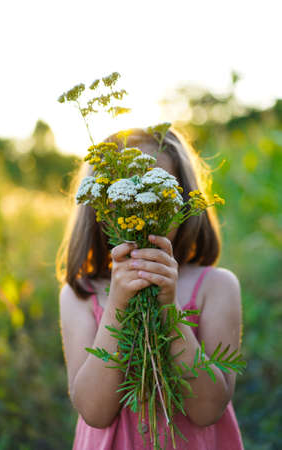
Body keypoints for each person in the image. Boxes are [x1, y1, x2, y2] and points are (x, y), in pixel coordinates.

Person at [56, 127, 244, 449]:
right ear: (100, 205)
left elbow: (208, 409)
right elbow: (94, 411)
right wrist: (117, 304)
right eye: (125, 191)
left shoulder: (216, 286)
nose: (139, 208)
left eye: (156, 191)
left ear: (181, 197)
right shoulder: (81, 293)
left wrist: (168, 309)